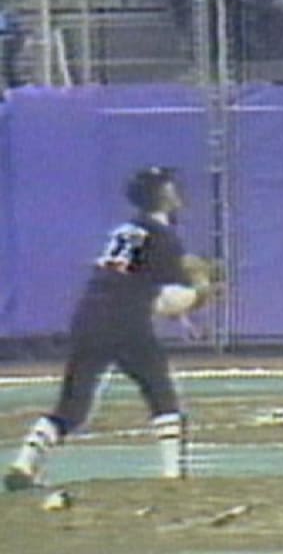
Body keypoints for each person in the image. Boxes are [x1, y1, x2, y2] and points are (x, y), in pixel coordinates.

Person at [4, 167, 218, 491]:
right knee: (161, 394)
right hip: (125, 321)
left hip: (88, 316)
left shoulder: (127, 229)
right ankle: (174, 475)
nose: (177, 192)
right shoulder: (162, 236)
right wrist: (201, 293)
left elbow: (135, 283)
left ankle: (25, 463)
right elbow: (165, 294)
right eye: (169, 187)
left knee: (72, 405)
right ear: (161, 194)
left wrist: (186, 314)